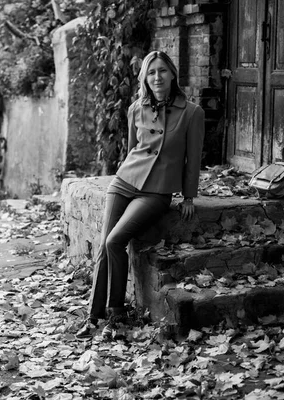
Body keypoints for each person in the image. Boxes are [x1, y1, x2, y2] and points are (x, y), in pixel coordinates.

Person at [76, 50, 205, 340]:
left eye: (162, 70)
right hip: (124, 182)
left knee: (114, 241)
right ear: (144, 78)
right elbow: (133, 149)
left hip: (157, 191)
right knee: (104, 247)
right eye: (151, 72)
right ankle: (95, 317)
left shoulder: (192, 113)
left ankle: (117, 315)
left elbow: (192, 158)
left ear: (172, 74)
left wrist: (188, 196)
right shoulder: (136, 108)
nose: (157, 77)